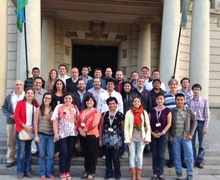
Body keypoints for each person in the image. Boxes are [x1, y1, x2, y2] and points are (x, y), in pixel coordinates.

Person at [169, 93, 197, 180]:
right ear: (175, 101)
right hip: (175, 137)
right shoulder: (172, 111)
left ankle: (190, 174)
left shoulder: (189, 110)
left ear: (184, 100)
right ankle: (179, 173)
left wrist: (191, 133)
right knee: (176, 156)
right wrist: (170, 135)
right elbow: (169, 124)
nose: (180, 101)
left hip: (186, 137)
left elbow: (195, 122)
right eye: (178, 100)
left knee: (189, 156)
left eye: (181, 99)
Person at [51, 92, 79, 180]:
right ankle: (62, 172)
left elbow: (78, 120)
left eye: (69, 98)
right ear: (63, 99)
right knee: (64, 152)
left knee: (70, 153)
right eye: (66, 98)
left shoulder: (75, 107)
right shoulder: (59, 107)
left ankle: (67, 171)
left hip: (72, 134)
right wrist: (56, 133)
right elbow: (54, 120)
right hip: (62, 134)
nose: (68, 100)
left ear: (72, 99)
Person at [14, 87, 39, 179]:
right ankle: (20, 172)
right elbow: (16, 117)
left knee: (29, 153)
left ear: (33, 95)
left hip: (31, 132)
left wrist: (33, 129)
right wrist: (25, 126)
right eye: (28, 93)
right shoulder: (20, 103)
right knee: (21, 153)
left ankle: (28, 171)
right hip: (21, 130)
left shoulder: (35, 106)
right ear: (25, 94)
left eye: (31, 93)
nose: (30, 94)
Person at [124, 97, 151, 180]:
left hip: (141, 138)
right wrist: (127, 138)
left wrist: (147, 137)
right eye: (135, 101)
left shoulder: (144, 112)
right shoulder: (129, 112)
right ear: (132, 103)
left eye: (138, 101)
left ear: (140, 103)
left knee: (139, 156)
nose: (136, 102)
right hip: (131, 137)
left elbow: (147, 125)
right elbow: (126, 127)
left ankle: (139, 174)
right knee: (132, 155)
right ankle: (133, 174)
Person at [99, 97, 124, 180]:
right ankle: (109, 173)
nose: (112, 105)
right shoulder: (104, 114)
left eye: (113, 103)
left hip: (116, 140)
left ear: (116, 104)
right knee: (108, 157)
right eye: (110, 104)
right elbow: (101, 127)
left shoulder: (120, 115)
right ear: (107, 105)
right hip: (106, 139)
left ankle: (117, 173)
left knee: (116, 157)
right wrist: (100, 139)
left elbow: (122, 128)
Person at [2, 80, 25, 168]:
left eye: (20, 84)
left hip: (23, 123)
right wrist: (10, 115)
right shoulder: (9, 96)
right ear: (14, 86)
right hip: (11, 122)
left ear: (23, 85)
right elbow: (4, 108)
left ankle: (22, 160)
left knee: (23, 142)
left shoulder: (27, 95)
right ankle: (10, 159)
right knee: (11, 142)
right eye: (16, 85)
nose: (18, 86)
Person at [77, 96, 101, 180]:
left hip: (92, 135)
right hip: (83, 135)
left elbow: (94, 124)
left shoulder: (96, 112)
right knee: (86, 153)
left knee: (92, 154)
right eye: (87, 101)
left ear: (94, 102)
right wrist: (80, 130)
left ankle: (92, 171)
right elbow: (78, 122)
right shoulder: (82, 111)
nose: (89, 102)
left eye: (91, 100)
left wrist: (84, 130)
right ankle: (86, 170)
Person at [149, 93, 171, 180]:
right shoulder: (152, 110)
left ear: (164, 100)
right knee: (155, 154)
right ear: (156, 100)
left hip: (163, 135)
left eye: (161, 99)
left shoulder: (167, 111)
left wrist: (162, 132)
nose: (159, 100)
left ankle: (161, 173)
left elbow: (169, 124)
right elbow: (148, 123)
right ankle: (155, 173)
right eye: (158, 99)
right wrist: (152, 132)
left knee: (161, 155)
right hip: (153, 134)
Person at [187, 84, 210, 169]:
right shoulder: (189, 101)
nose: (196, 91)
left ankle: (200, 161)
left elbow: (207, 115)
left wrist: (205, 127)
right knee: (191, 143)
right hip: (192, 123)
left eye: (198, 89)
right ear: (192, 90)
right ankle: (193, 160)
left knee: (202, 144)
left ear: (200, 90)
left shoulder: (204, 100)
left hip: (201, 122)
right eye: (195, 89)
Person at [34, 93, 55, 180]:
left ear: (51, 100)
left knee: (51, 155)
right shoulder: (38, 109)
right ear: (43, 99)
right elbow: (35, 122)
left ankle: (49, 173)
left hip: (51, 135)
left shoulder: (53, 110)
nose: (47, 100)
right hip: (41, 135)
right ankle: (42, 173)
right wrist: (36, 135)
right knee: (42, 155)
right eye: (46, 98)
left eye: (49, 98)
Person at [120, 81, 136, 159]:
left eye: (128, 86)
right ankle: (125, 151)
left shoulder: (134, 95)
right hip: (123, 117)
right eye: (125, 86)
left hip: (133, 116)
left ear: (131, 87)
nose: (127, 87)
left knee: (133, 133)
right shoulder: (121, 95)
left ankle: (133, 151)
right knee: (124, 134)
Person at [51, 79, 66, 158]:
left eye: (60, 84)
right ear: (55, 85)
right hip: (55, 117)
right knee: (56, 133)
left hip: (64, 118)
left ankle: (61, 150)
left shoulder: (65, 94)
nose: (59, 85)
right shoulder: (52, 95)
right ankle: (56, 150)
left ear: (63, 85)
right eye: (57, 84)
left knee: (62, 134)